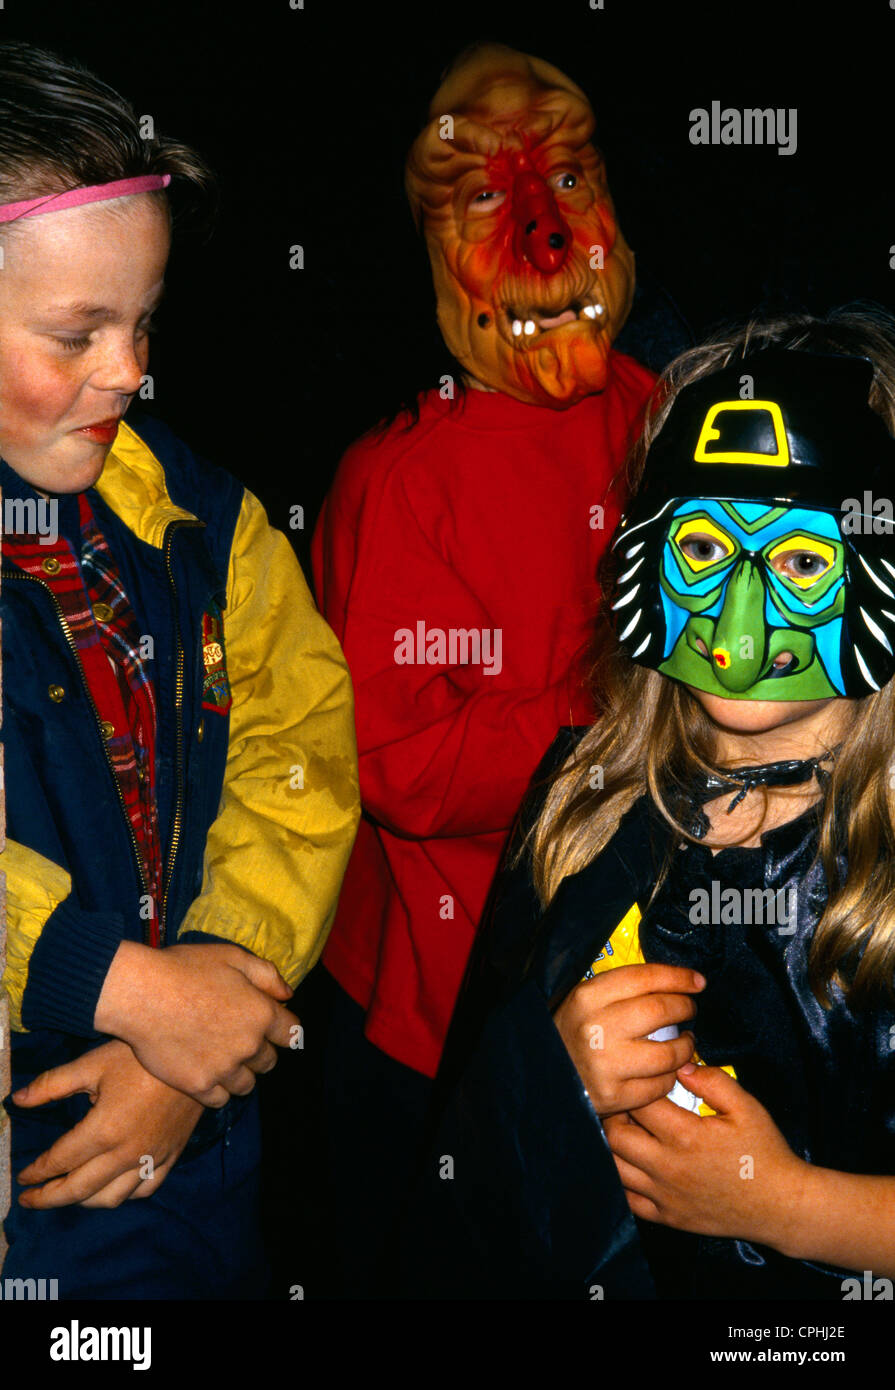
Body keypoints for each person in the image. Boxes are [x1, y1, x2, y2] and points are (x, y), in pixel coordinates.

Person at [403, 307, 895, 1299]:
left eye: (800, 562)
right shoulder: (587, 802)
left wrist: (791, 1205)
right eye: (706, 552)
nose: (737, 621)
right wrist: (554, 1081)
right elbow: (465, 1158)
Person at [0, 40, 360, 1299]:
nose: (131, 370)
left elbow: (300, 741)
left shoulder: (202, 517)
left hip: (197, 1129)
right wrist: (108, 981)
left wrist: (207, 1005)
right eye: (75, 331)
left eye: (144, 320)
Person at [311, 41, 655, 1294]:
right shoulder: (399, 480)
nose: (544, 239)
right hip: (441, 1015)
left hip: (621, 978)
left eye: (567, 184)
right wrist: (621, 713)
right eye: (484, 201)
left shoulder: (662, 412)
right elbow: (400, 766)